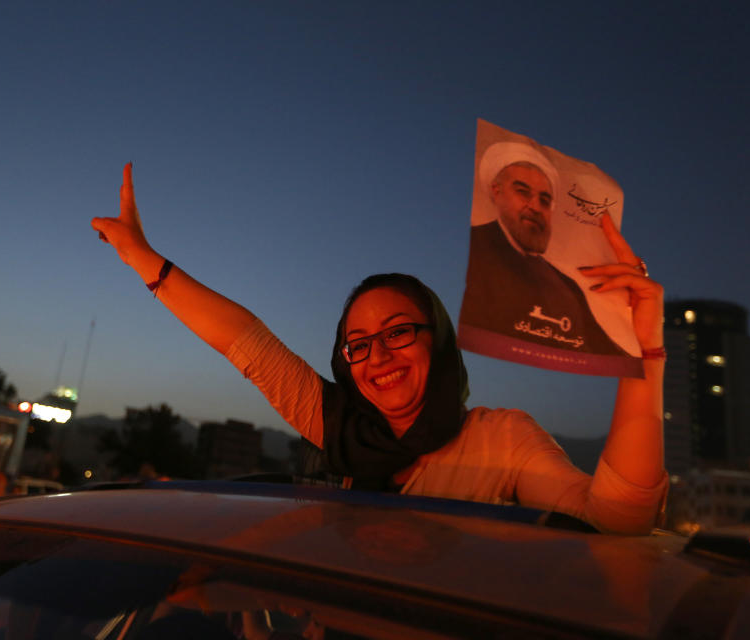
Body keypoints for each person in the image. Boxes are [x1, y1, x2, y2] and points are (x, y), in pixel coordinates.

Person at [92, 164, 666, 534]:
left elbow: (612, 520)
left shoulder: (502, 440)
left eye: (397, 333)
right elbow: (247, 344)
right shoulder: (342, 426)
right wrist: (140, 257)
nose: (378, 358)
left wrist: (644, 354)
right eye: (358, 345)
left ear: (436, 340)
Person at [460, 142, 627, 356]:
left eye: (545, 200)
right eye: (523, 192)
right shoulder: (474, 251)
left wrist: (645, 338)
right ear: (496, 191)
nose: (536, 207)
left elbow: (606, 355)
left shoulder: (566, 286)